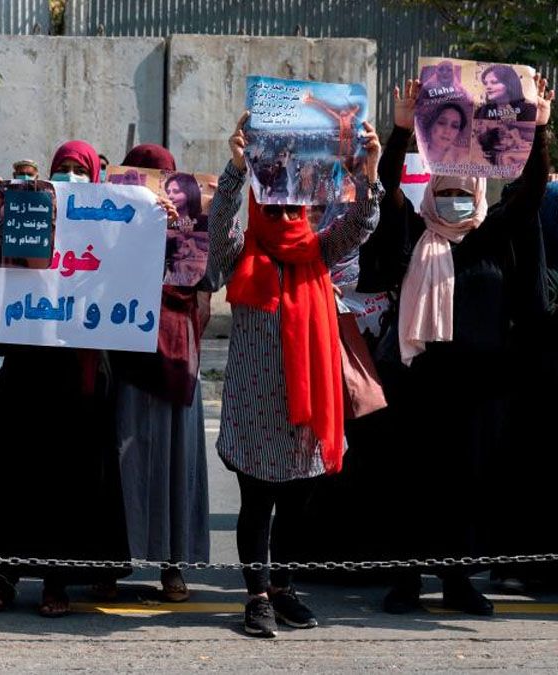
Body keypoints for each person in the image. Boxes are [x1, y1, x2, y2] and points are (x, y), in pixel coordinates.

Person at [362, 77, 554, 616]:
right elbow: (388, 185)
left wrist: (538, 131)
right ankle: (404, 578)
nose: (453, 200)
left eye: (463, 193)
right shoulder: (412, 231)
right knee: (411, 480)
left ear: (479, 197)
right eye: (444, 190)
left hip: (478, 386)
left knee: (468, 483)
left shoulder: (493, 237)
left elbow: (532, 192)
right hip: (419, 378)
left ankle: (457, 580)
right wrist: (401, 131)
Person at [208, 113, 383, 638]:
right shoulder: (243, 256)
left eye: (292, 205)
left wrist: (367, 172)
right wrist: (237, 170)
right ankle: (257, 596)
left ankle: (282, 588)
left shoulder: (318, 252)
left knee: (296, 505)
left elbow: (358, 225)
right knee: (257, 504)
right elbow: (218, 229)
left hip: (309, 411)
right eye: (274, 203)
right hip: (254, 409)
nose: (284, 212)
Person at [0, 140, 131, 618]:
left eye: (77, 171)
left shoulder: (104, 228)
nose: (68, 178)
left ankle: (56, 580)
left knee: (67, 478)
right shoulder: (27, 219)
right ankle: (7, 575)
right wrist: (0, 199)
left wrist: (152, 217)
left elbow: (130, 267)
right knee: (16, 470)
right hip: (28, 365)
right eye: (60, 170)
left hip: (77, 371)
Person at [105, 143, 211, 604]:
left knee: (176, 461)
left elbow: (208, 286)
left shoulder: (193, 231)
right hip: (125, 352)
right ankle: (109, 560)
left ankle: (174, 566)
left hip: (175, 351)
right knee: (121, 460)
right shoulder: (112, 224)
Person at [494, 179, 558, 591]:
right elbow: (541, 310)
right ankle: (521, 566)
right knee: (531, 480)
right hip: (533, 386)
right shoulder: (529, 261)